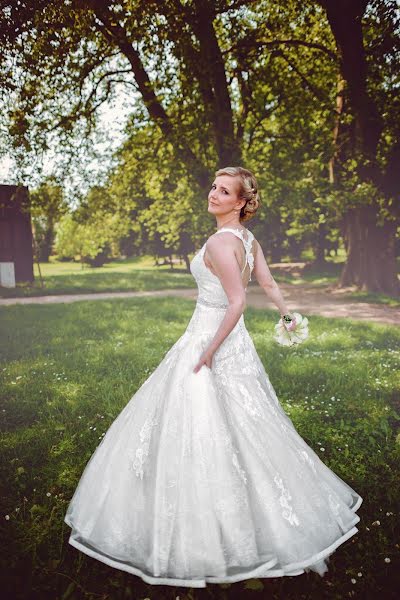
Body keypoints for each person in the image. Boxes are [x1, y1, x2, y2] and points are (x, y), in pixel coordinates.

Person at [64, 166, 363, 588]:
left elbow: (237, 302)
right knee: (249, 420)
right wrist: (287, 315)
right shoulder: (248, 239)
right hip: (230, 339)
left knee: (204, 425)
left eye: (224, 191)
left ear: (241, 202)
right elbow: (268, 282)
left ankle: (213, 533)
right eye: (213, 187)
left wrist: (207, 351)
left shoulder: (222, 241)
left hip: (214, 336)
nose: (213, 194)